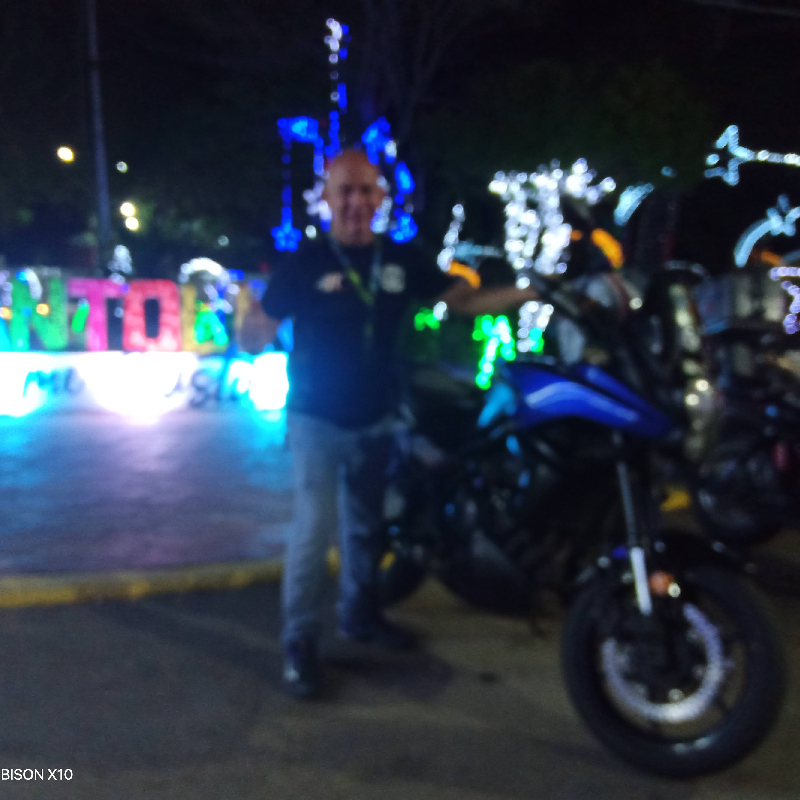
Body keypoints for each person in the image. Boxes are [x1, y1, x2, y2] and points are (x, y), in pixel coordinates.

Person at [240, 150, 538, 698]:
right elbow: (259, 332)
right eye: (345, 191)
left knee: (366, 526)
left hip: (376, 418)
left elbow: (466, 302)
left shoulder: (402, 257)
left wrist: (533, 292)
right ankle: (299, 641)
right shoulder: (305, 262)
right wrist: (248, 323)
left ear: (380, 198)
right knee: (314, 527)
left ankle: (360, 615)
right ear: (327, 199)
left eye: (366, 191)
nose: (356, 202)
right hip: (315, 418)